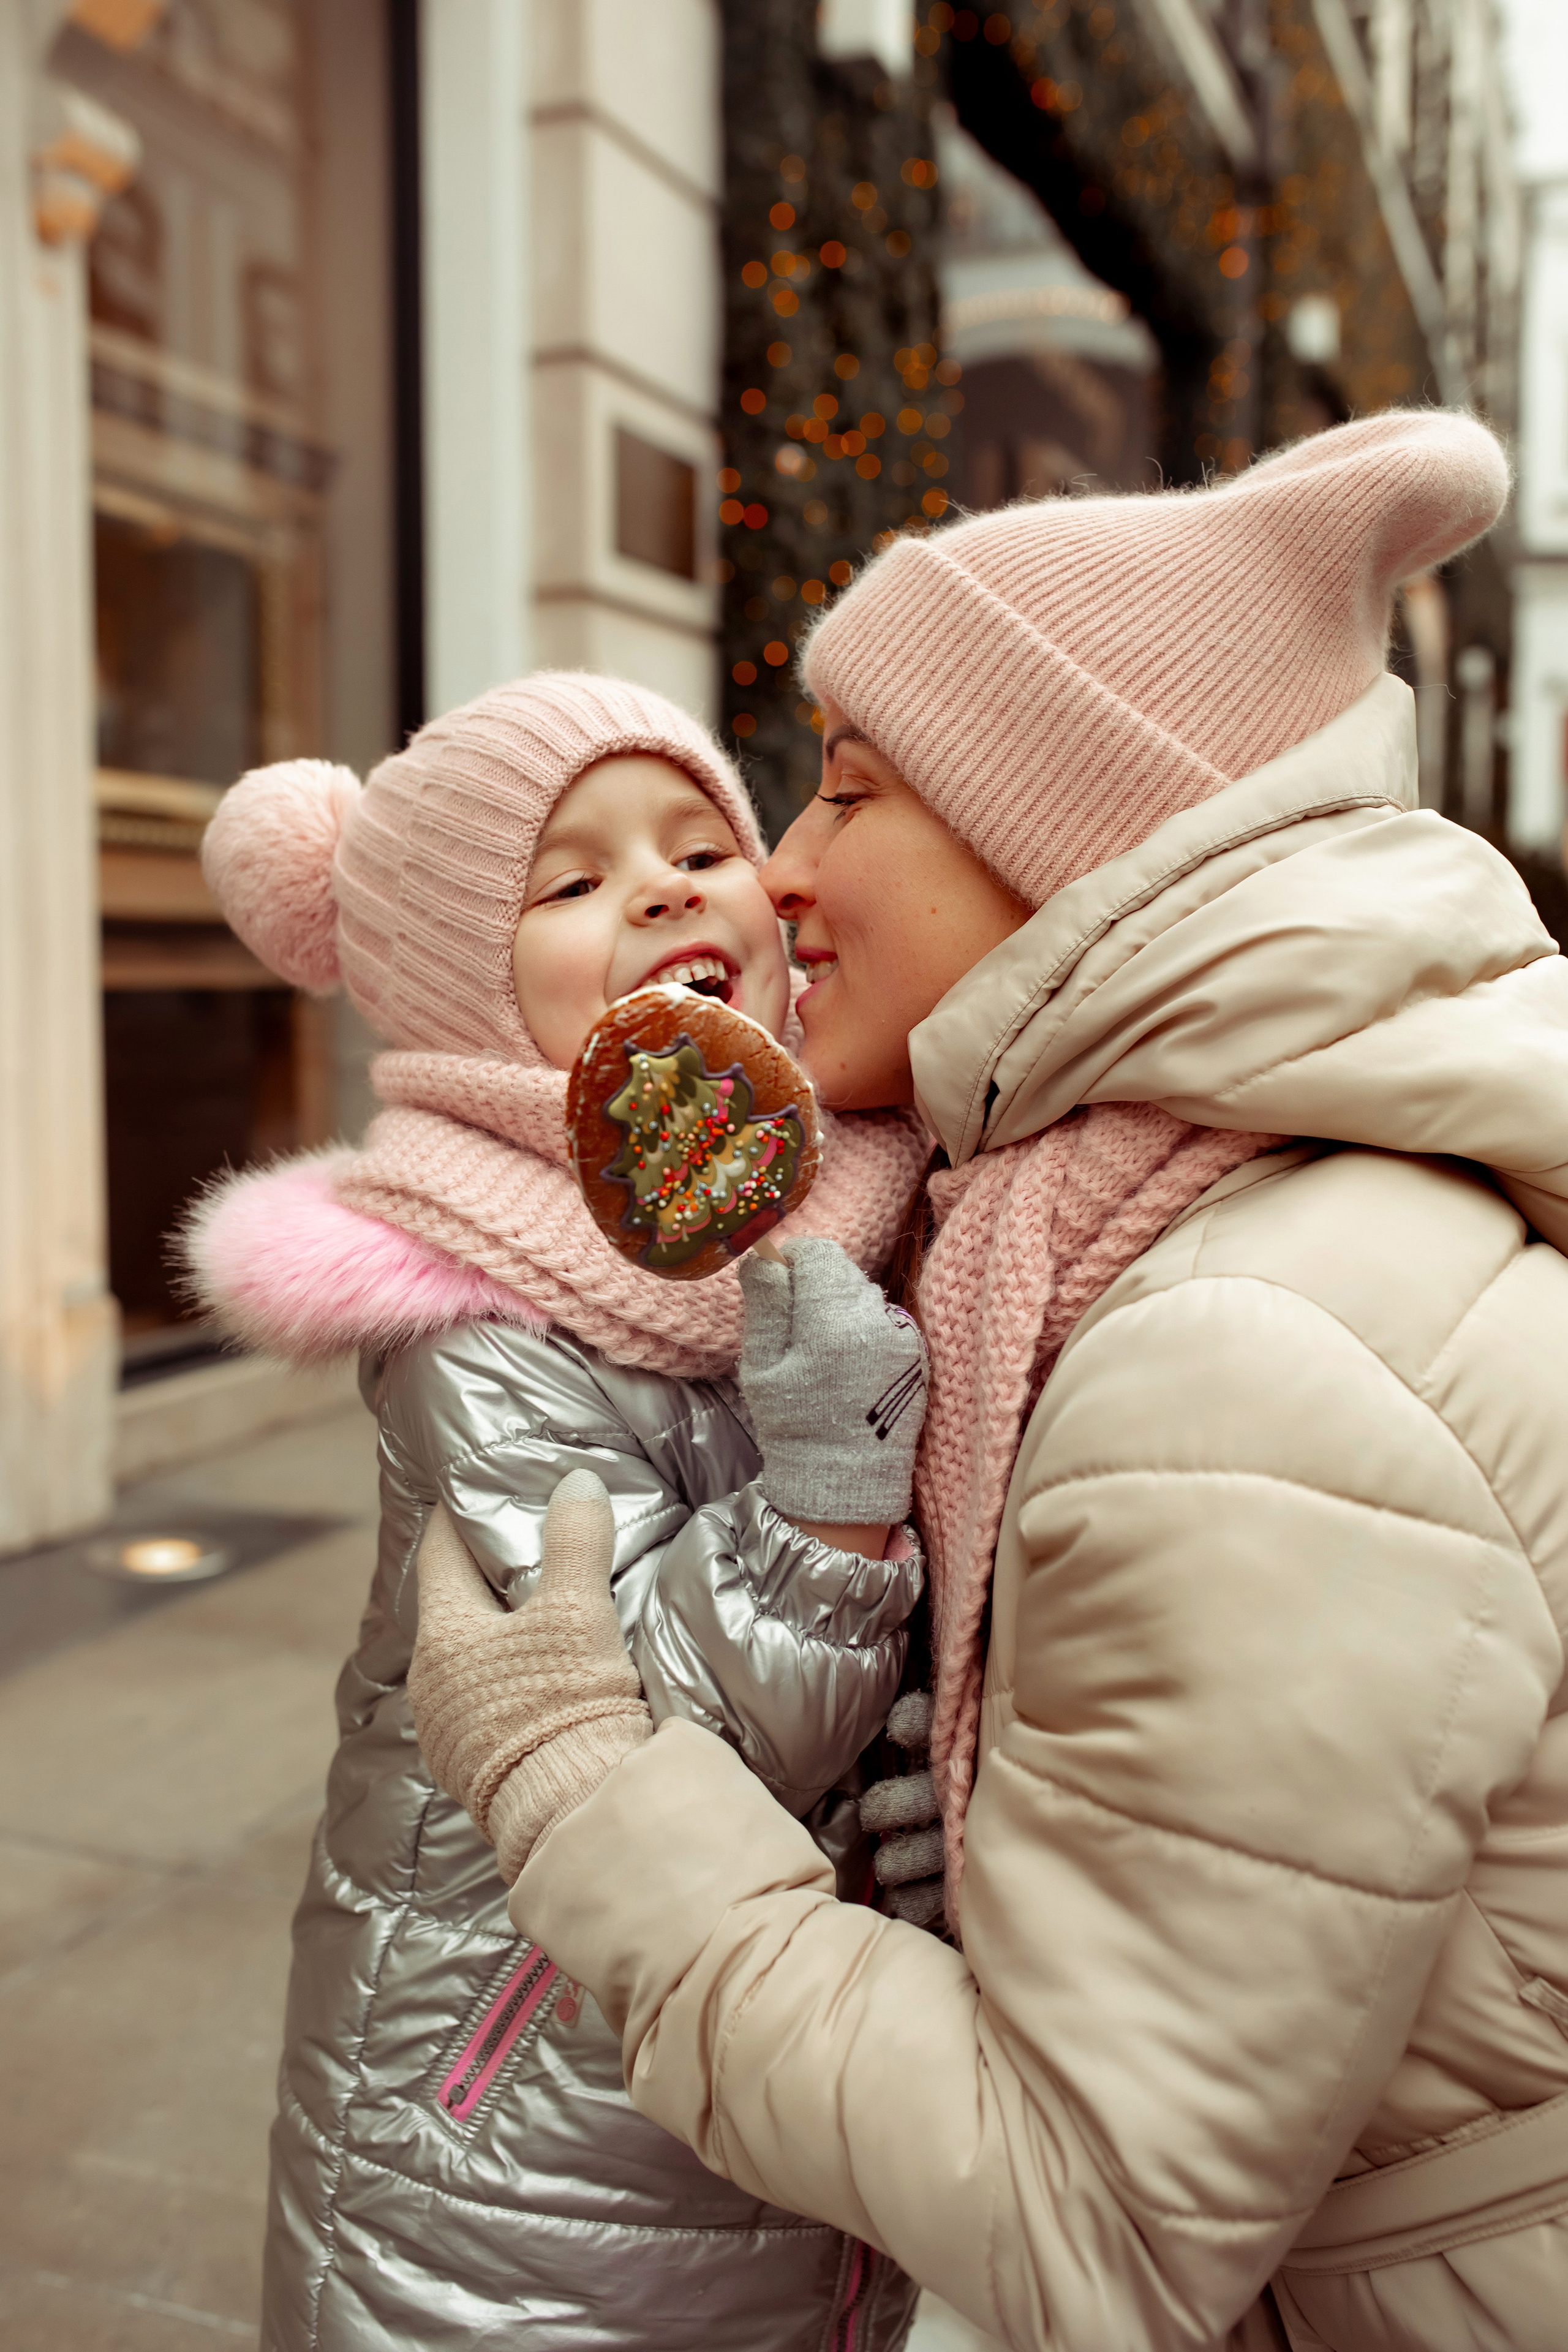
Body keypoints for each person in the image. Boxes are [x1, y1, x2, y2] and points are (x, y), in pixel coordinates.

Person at [406, 413, 1568, 2352]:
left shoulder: (1244, 1356)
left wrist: (572, 1779)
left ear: (1072, 830)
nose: (777, 868)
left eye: (850, 791)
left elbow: (1088, 2226)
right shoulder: (1110, 1225)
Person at [184, 673, 933, 2351]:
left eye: (700, 849)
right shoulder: (482, 1319)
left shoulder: (864, 1179)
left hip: (774, 2062)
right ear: (466, 991)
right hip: (514, 2103)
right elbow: (629, 1734)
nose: (662, 890)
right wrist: (827, 1501)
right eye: (574, 881)